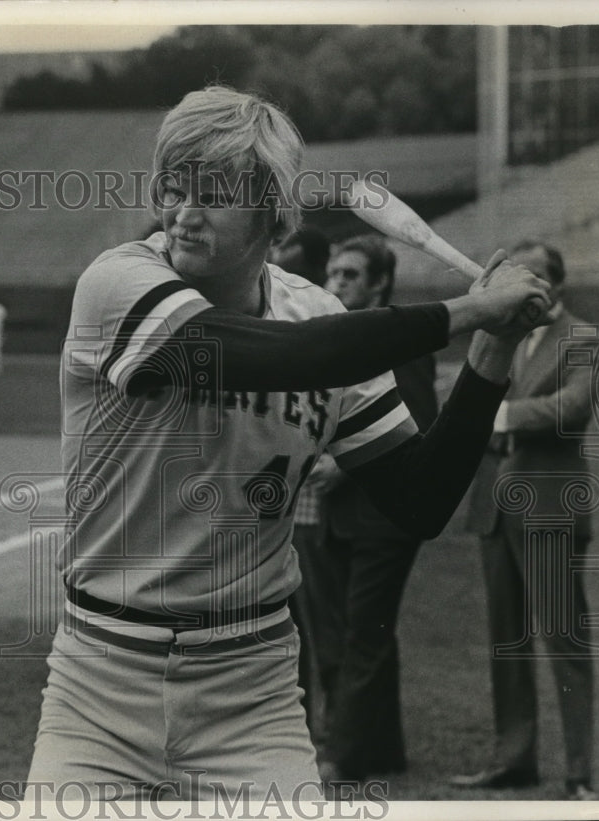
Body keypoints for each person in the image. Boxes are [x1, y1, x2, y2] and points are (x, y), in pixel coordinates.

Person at [26, 86, 551, 804]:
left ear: (273, 213)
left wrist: (492, 352)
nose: (182, 210)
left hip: (253, 691)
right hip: (102, 683)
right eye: (173, 186)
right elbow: (290, 357)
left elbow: (418, 499)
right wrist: (466, 309)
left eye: (212, 193)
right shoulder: (117, 283)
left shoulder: (318, 314)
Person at [451, 241, 598, 800]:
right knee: (505, 639)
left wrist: (499, 412)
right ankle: (514, 760)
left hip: (549, 509)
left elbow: (572, 408)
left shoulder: (583, 336)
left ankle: (580, 773)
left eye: (530, 277)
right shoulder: (498, 335)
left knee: (564, 641)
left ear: (555, 287)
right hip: (494, 505)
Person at [302, 235, 439, 784]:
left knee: (362, 633)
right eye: (333, 273)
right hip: (337, 515)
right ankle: (382, 750)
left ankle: (344, 757)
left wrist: (342, 466)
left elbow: (418, 426)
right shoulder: (340, 334)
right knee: (352, 631)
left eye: (350, 276)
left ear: (380, 282)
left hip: (381, 517)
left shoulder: (399, 339)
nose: (335, 283)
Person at [266, 223, 332, 740]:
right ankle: (303, 719)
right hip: (285, 503)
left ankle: (312, 720)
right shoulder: (278, 314)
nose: (279, 255)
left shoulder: (316, 316)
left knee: (307, 623)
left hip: (308, 505)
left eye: (289, 249)